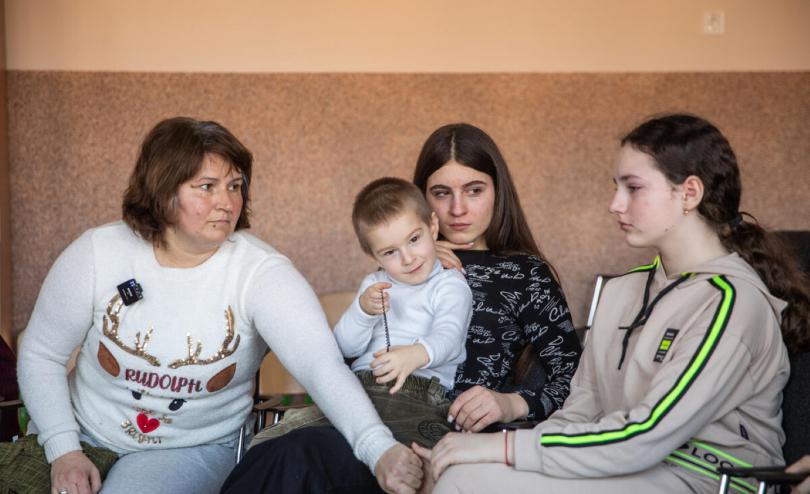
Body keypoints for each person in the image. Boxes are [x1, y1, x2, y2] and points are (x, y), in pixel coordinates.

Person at [13, 117, 422, 494]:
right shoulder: (98, 253)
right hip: (78, 431)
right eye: (206, 187)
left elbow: (322, 368)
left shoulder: (262, 274)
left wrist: (378, 449)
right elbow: (41, 353)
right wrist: (63, 448)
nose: (227, 202)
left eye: (235, 185)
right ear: (162, 189)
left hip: (189, 449)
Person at [414, 114, 810, 494]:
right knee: (463, 475)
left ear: (689, 192)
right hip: (622, 465)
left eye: (632, 188)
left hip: (702, 476)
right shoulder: (621, 293)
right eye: (615, 187)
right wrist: (491, 454)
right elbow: (578, 412)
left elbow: (649, 434)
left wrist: (498, 448)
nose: (614, 204)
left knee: (464, 481)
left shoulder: (732, 303)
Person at [222, 123, 581, 493]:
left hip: (438, 432)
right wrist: (419, 257)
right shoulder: (401, 265)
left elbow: (577, 377)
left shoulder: (525, 274)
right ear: (425, 206)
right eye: (441, 194)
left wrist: (513, 404)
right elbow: (346, 359)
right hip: (363, 413)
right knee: (276, 454)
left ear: (498, 191)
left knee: (299, 456)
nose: (458, 209)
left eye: (474, 190)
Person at [249, 177, 472, 448]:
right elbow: (343, 347)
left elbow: (449, 337)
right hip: (355, 388)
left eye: (414, 239)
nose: (408, 258)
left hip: (417, 392)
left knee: (412, 443)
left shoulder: (450, 284)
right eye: (390, 252)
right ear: (373, 257)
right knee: (271, 439)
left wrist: (415, 355)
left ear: (433, 227)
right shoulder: (373, 285)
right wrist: (362, 312)